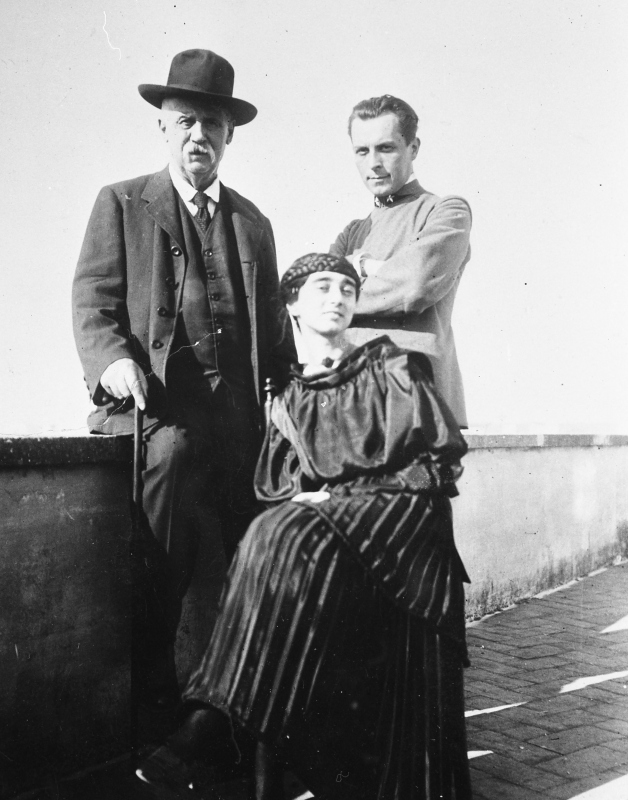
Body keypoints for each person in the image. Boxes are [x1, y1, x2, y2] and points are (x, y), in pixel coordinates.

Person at [136, 253, 472, 800]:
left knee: (286, 530)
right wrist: (312, 501)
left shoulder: (390, 367)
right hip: (336, 540)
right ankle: (227, 726)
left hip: (406, 526)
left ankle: (210, 723)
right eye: (322, 287)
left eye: (347, 289)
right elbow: (278, 486)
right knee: (272, 530)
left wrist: (339, 501)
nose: (337, 298)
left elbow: (434, 467)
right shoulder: (289, 396)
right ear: (292, 304)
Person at [71, 49, 296, 717]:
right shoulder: (121, 203)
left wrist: (288, 404)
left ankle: (246, 720)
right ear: (163, 128)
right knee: (158, 557)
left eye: (213, 125)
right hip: (161, 418)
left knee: (264, 565)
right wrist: (113, 362)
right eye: (186, 122)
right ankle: (154, 712)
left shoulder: (253, 224)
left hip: (238, 428)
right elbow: (93, 303)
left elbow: (276, 339)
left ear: (230, 136)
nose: (200, 136)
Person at [330, 95, 472, 427]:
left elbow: (415, 284)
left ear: (413, 148)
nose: (373, 163)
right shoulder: (352, 232)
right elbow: (319, 299)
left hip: (419, 404)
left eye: (386, 148)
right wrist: (377, 270)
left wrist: (358, 270)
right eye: (362, 151)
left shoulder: (446, 211)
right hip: (352, 403)